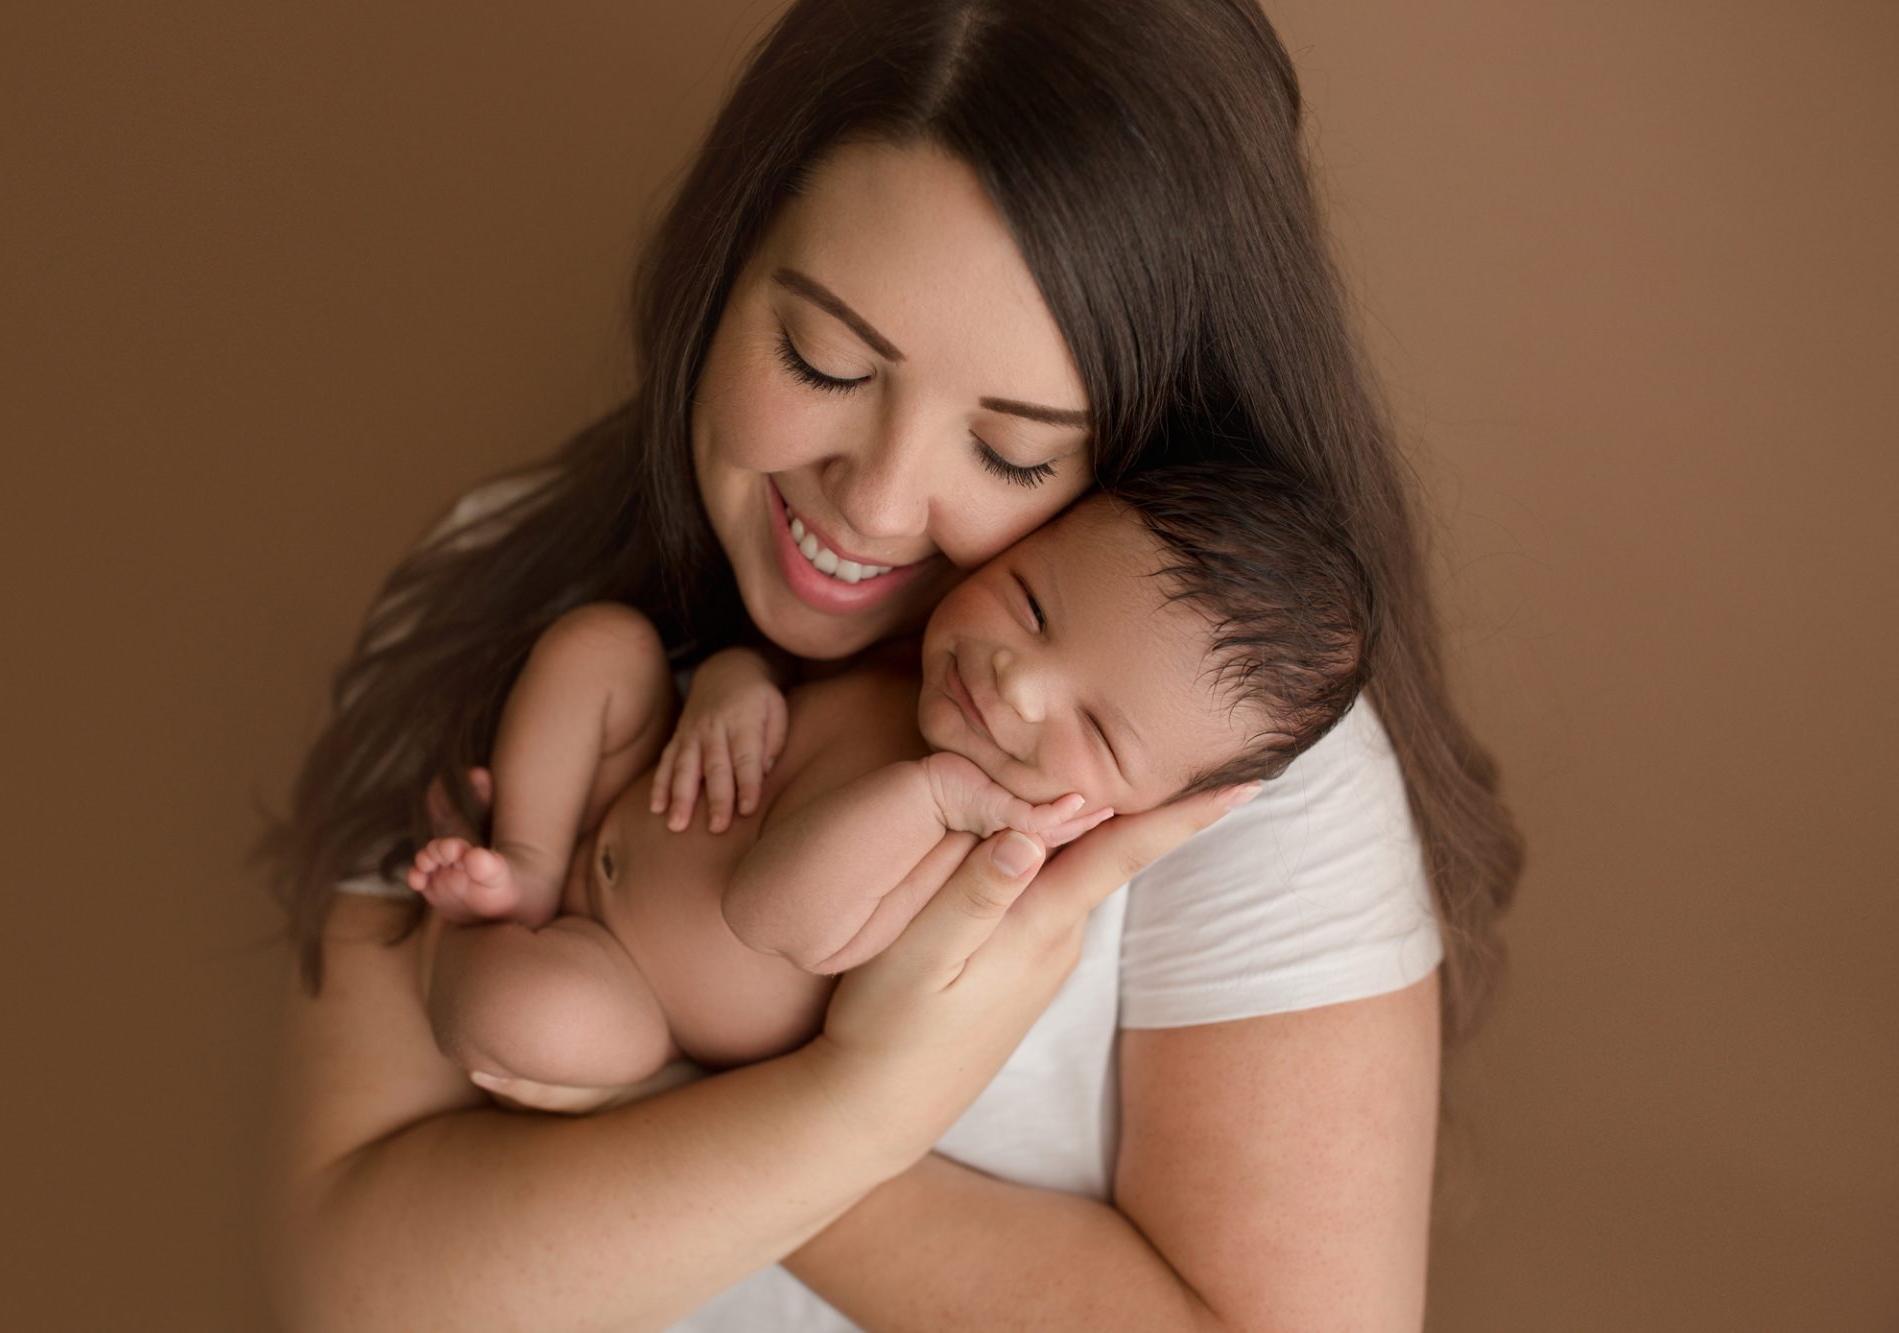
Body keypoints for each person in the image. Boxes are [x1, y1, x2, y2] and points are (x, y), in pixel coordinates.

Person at [256, 2, 1522, 1328]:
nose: (874, 503)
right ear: (722, 268)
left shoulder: (1225, 772)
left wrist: (809, 1107)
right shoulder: (506, 580)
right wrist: (837, 1102)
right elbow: (349, 1288)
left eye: (1015, 453)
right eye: (822, 358)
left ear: (1142, 456)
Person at [408, 465, 1373, 1098]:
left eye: (1095, 729)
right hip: (629, 789)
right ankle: (526, 857)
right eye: (1032, 602)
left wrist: (934, 798)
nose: (1020, 680)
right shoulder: (905, 656)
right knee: (602, 646)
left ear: (1137, 813)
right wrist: (734, 689)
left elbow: (771, 912)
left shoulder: (967, 852)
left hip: (632, 985)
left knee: (540, 1018)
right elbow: (771, 672)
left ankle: (456, 943)